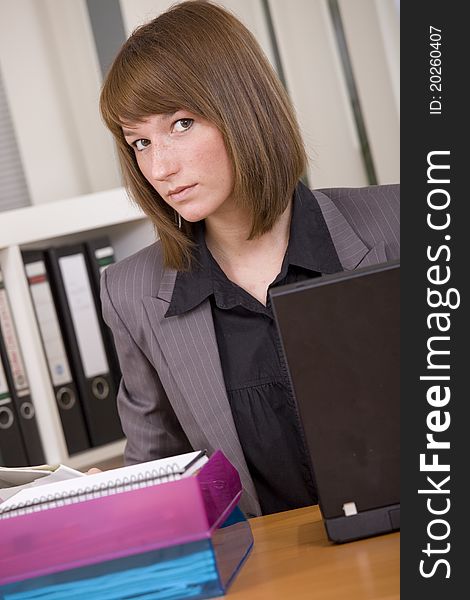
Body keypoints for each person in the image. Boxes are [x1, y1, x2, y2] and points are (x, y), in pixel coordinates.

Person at [99, 0, 399, 517]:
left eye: (182, 123)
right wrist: (112, 504)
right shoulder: (131, 293)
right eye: (140, 142)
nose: (161, 166)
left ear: (242, 105)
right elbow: (161, 479)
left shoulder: (403, 220)